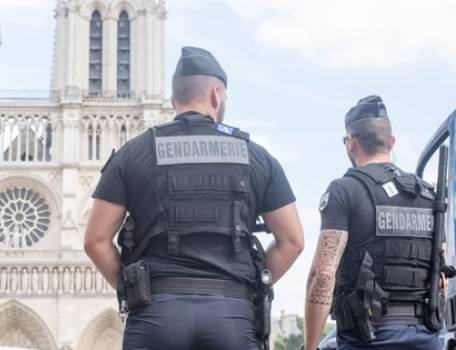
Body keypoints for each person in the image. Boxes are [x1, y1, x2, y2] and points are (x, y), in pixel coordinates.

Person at [84, 46, 304, 350]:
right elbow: (292, 241)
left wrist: (133, 287)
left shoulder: (132, 154)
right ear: (216, 94)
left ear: (175, 99)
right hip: (232, 315)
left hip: (155, 314)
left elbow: (95, 240)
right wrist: (253, 284)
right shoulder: (256, 157)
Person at [303, 95, 445, 350]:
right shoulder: (429, 195)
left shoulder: (344, 190)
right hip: (425, 338)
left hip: (368, 339)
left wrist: (311, 346)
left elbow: (323, 274)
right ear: (391, 141)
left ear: (351, 143)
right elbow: (441, 276)